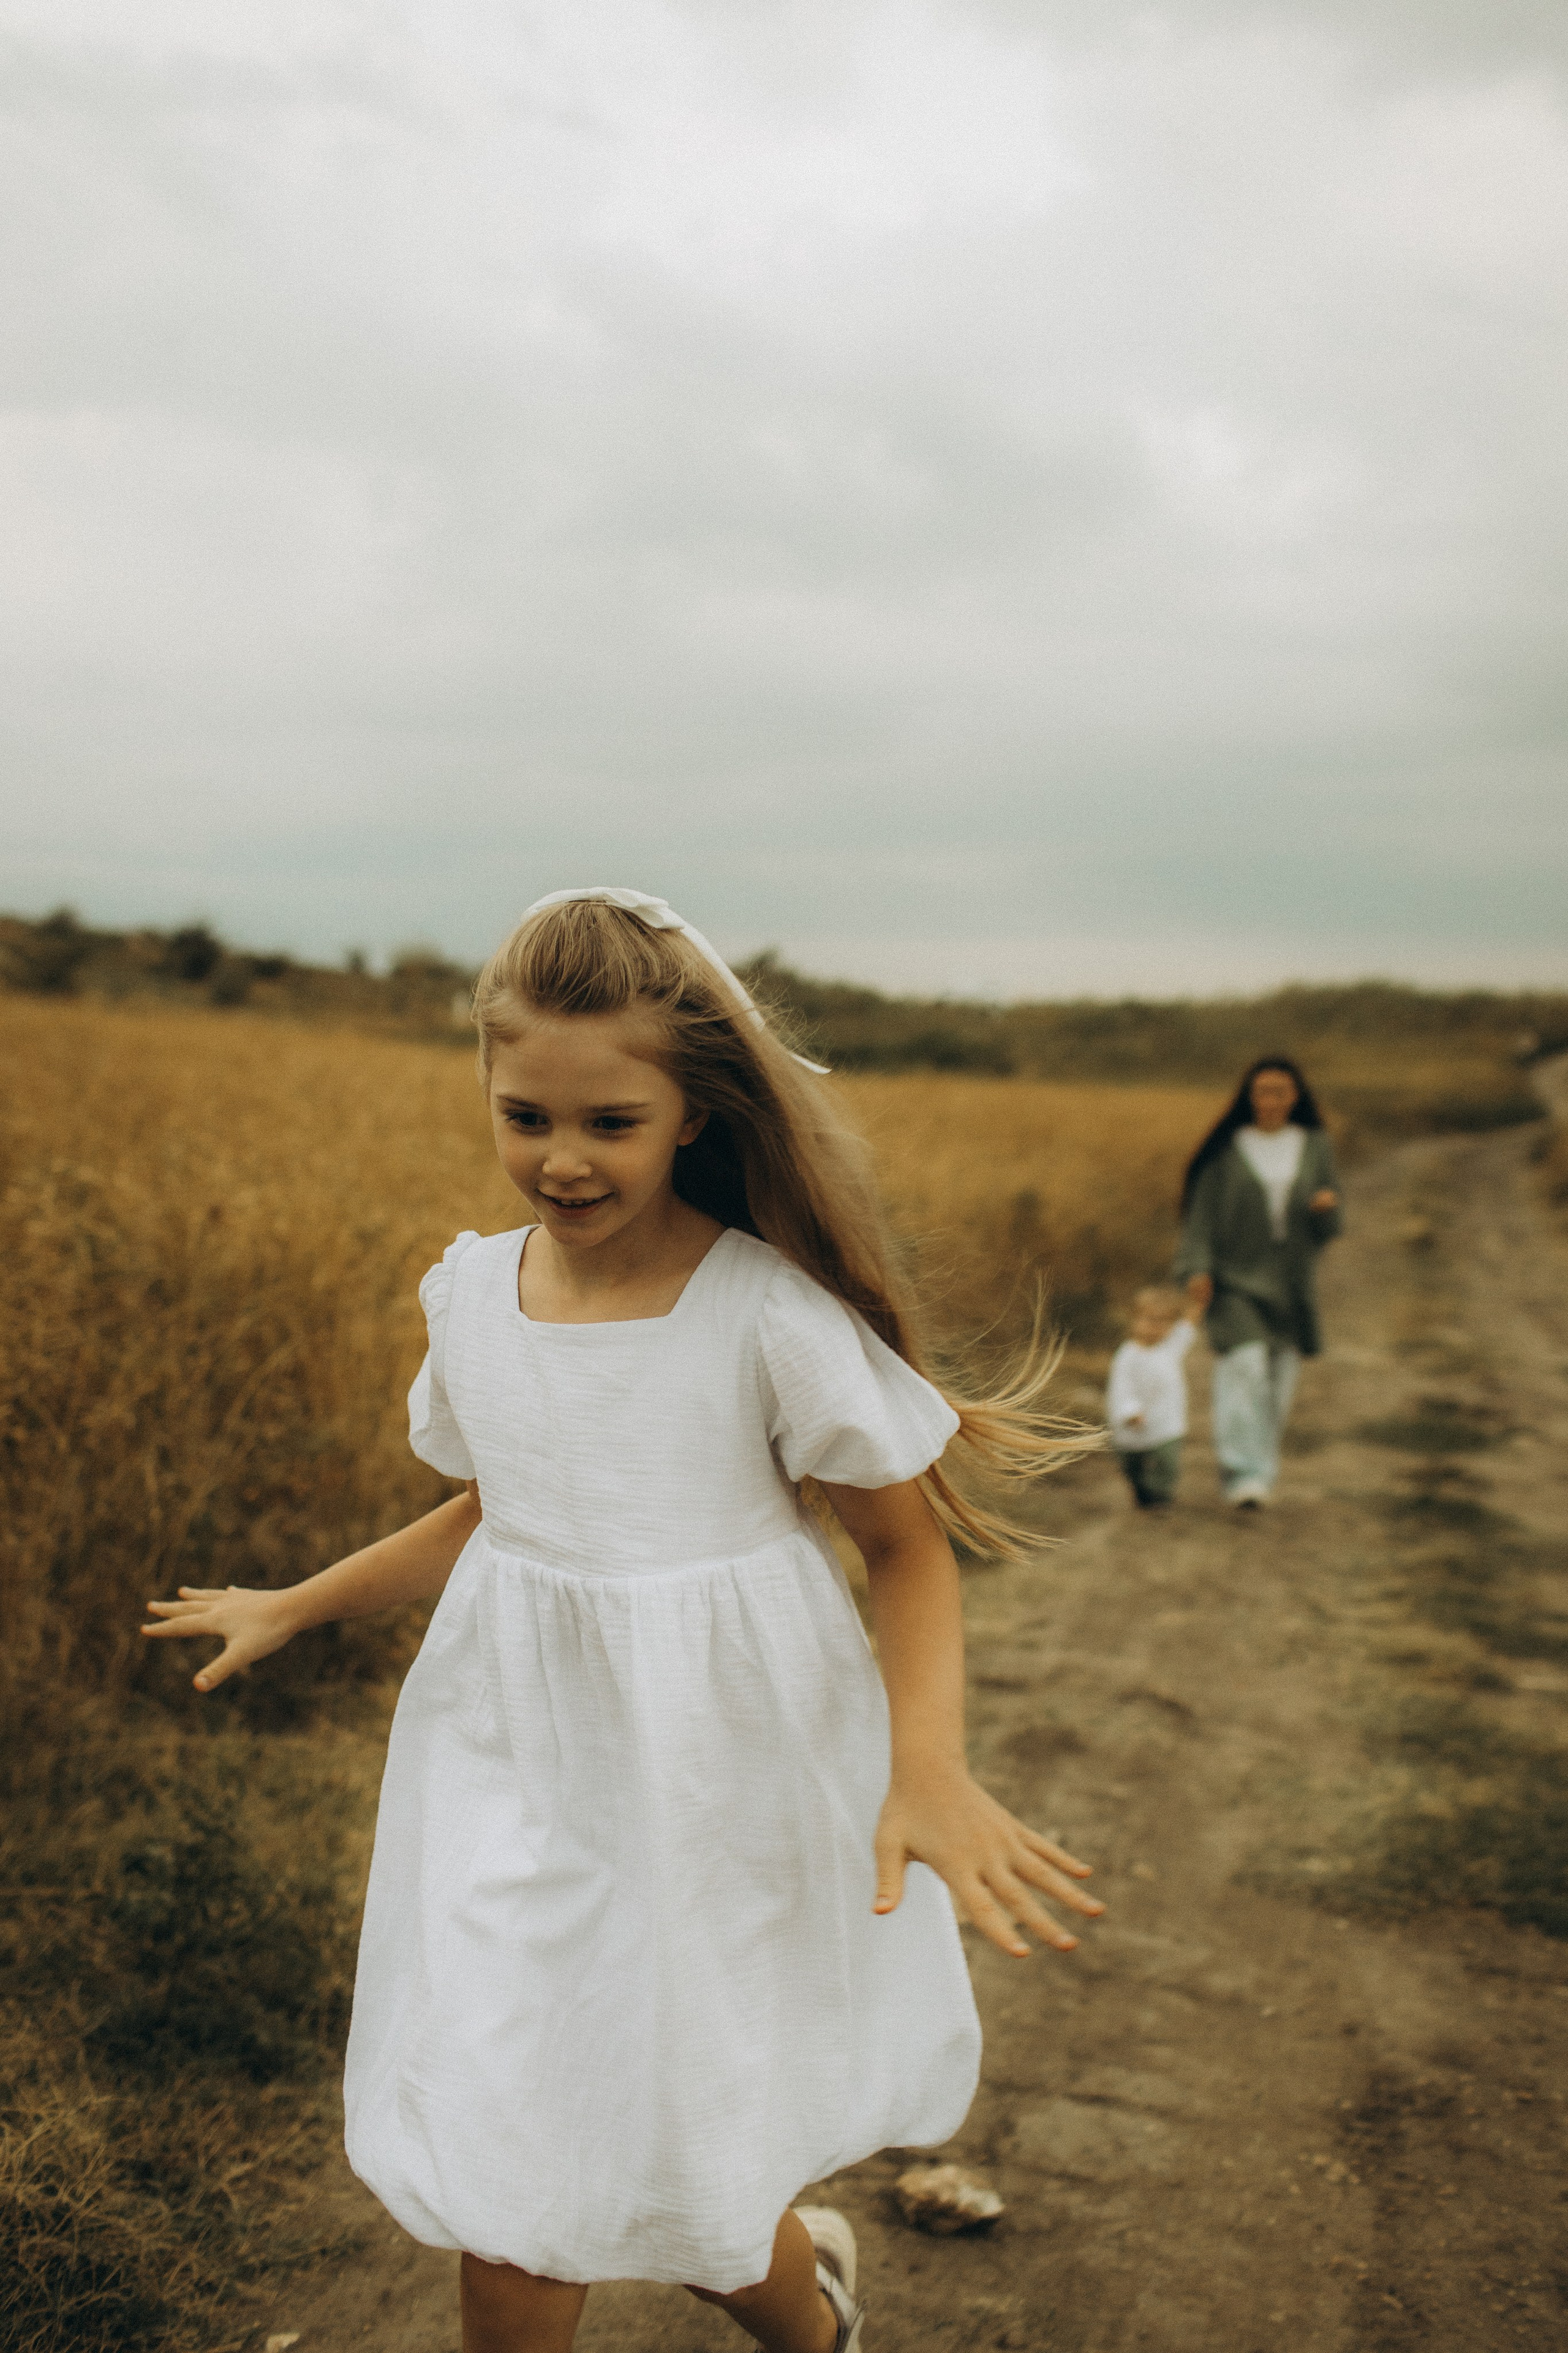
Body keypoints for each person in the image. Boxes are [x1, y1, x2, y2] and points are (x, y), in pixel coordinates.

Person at [141, 886, 1102, 2353]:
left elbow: (904, 1551)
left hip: (712, 1776)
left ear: (693, 1115)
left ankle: (809, 2306)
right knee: (522, 2171)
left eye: (609, 1123)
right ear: (485, 1086)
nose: (561, 1157)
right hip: (512, 1773)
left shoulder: (765, 1314)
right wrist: (298, 1601)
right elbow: (496, 1507)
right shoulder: (468, 1295)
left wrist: (929, 1765)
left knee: (680, 2157)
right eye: (526, 1114)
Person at [1174, 1056, 1343, 1508]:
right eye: (1261, 1090)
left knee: (1279, 1379)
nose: (1270, 1100)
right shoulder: (1226, 1148)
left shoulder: (1315, 1145)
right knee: (1244, 1367)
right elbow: (1200, 1217)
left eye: (1280, 1091)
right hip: (1235, 1281)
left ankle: (1261, 1469)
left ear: (1296, 1097)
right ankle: (1242, 1474)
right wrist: (1196, 1267)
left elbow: (1332, 1226)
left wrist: (1326, 1208)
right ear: (1249, 1096)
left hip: (1292, 1283)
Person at [1105, 1283, 1201, 1508]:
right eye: (1149, 1319)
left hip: (1166, 1422)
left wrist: (1198, 1303)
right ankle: (1141, 1491)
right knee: (1131, 1464)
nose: (1156, 1327)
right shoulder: (1127, 1355)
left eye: (1163, 1322)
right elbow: (1121, 1388)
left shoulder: (1170, 1348)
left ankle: (1161, 1495)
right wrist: (1129, 1411)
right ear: (1134, 1320)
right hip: (1133, 1423)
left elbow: (1188, 1327)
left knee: (1167, 1461)